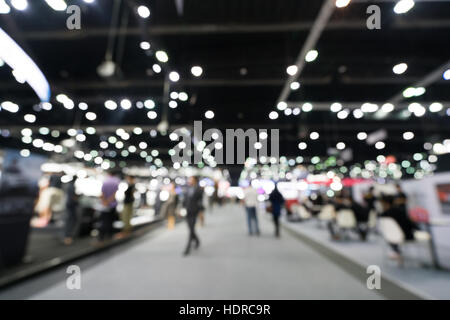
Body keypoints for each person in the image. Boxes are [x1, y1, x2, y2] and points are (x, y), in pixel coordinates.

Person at [380, 195, 418, 260]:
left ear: (385, 203)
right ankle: (396, 251)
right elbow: (409, 224)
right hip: (406, 235)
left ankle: (396, 251)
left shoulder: (383, 215)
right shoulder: (400, 211)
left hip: (391, 237)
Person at [182, 176, 204, 255]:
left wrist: (201, 212)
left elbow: (201, 201)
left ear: (195, 180)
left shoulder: (199, 190)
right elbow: (184, 200)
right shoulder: (187, 189)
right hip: (188, 211)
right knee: (190, 228)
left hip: (195, 211)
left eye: (191, 179)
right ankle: (197, 240)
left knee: (191, 229)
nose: (189, 181)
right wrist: (182, 209)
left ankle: (187, 248)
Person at [99, 171, 120, 242]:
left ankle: (101, 237)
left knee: (103, 220)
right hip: (112, 204)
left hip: (104, 205)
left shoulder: (105, 181)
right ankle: (109, 236)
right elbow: (114, 194)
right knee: (110, 221)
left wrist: (105, 202)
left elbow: (102, 193)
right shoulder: (116, 181)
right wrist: (109, 201)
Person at [63, 178, 79, 245]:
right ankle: (67, 237)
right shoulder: (71, 186)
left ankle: (67, 236)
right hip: (71, 205)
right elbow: (73, 197)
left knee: (70, 220)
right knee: (70, 221)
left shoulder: (68, 185)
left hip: (69, 205)